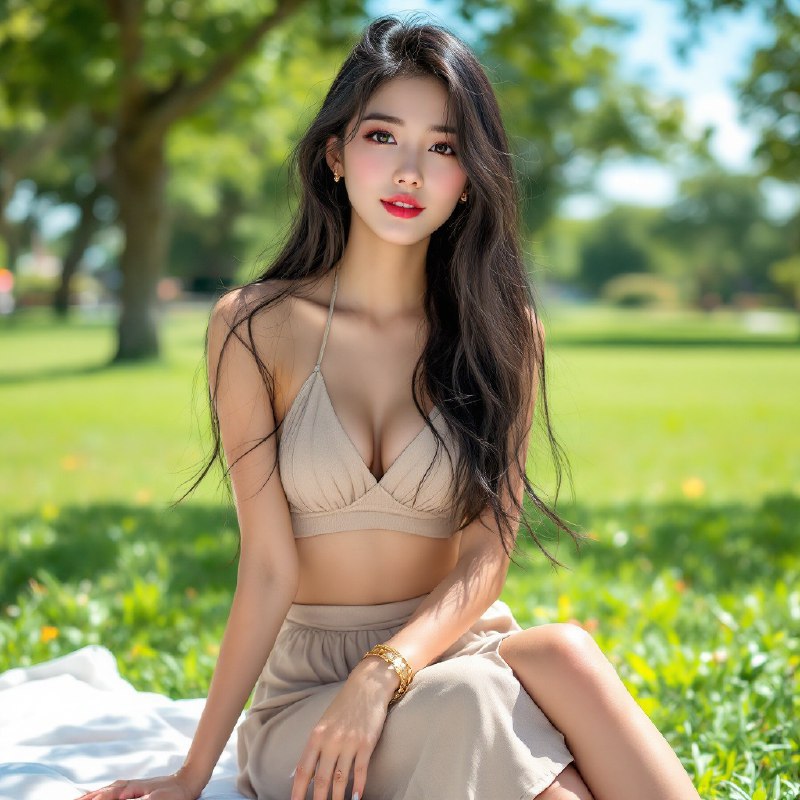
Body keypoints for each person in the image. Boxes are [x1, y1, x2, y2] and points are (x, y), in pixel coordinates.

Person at [75, 14, 702, 800]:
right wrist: (193, 772)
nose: (410, 172)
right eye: (383, 137)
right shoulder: (253, 326)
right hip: (310, 697)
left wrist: (386, 671)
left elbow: (485, 557)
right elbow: (267, 568)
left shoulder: (506, 336)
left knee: (565, 652)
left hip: (449, 650)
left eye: (443, 147)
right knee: (485, 711)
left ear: (469, 176)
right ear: (336, 155)